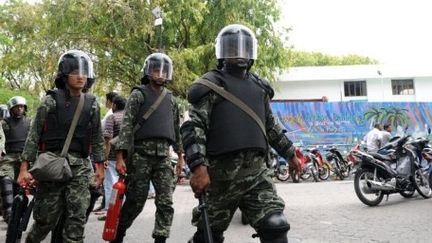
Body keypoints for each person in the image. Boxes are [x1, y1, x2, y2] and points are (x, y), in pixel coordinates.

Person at [180, 24, 301, 243]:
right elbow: (192, 127)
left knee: (276, 225)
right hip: (219, 176)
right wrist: (198, 168)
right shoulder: (210, 85)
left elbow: (270, 127)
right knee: (208, 237)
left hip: (256, 173)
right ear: (222, 52)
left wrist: (291, 155)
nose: (239, 53)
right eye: (233, 48)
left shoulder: (259, 88)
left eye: (244, 48)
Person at [17, 49, 105, 243]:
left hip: (80, 168)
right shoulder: (50, 101)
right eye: (75, 72)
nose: (81, 76)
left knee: (77, 219)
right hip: (53, 166)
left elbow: (97, 136)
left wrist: (99, 166)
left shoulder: (92, 104)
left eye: (84, 72)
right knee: (45, 220)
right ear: (65, 74)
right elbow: (34, 136)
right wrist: (24, 169)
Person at [112, 52, 184, 243]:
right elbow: (126, 127)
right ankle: (119, 232)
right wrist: (120, 157)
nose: (160, 74)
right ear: (148, 71)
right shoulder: (138, 94)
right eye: (156, 70)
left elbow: (176, 129)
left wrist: (180, 156)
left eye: (164, 71)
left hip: (163, 157)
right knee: (136, 200)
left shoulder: (172, 99)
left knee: (166, 202)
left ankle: (160, 239)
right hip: (140, 156)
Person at [0, 96, 31, 222]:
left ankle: (19, 213)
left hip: (25, 158)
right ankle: (8, 213)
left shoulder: (30, 122)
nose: (20, 109)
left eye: (22, 106)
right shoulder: (4, 123)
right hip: (8, 157)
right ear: (11, 109)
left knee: (21, 186)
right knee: (5, 179)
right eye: (17, 106)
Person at [98, 95, 127, 221]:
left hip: (113, 156)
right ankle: (121, 209)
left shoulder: (112, 117)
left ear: (114, 105)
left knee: (110, 183)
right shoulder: (128, 118)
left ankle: (109, 211)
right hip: (127, 157)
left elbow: (108, 139)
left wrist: (104, 157)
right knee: (123, 183)